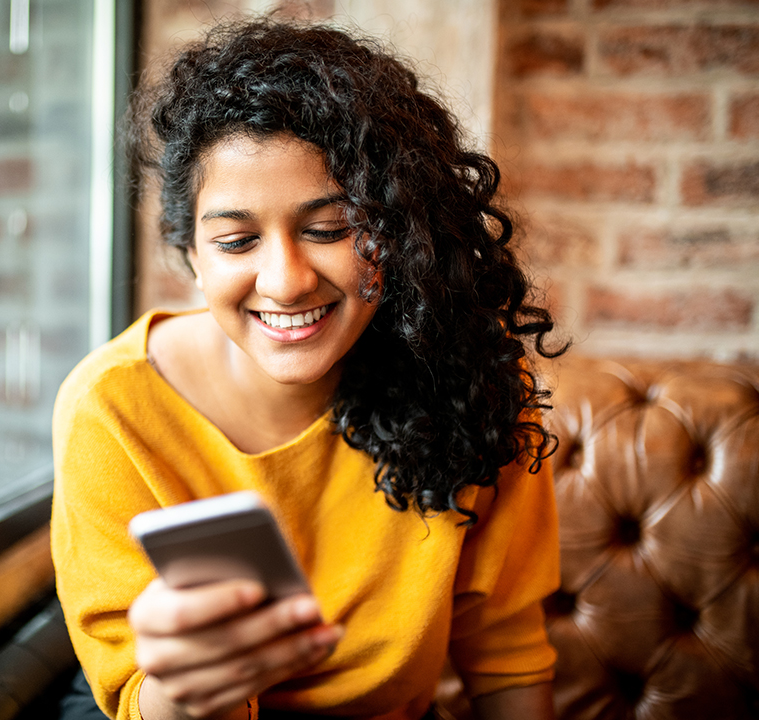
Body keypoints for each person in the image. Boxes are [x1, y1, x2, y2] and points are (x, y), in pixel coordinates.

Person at [51, 17, 565, 720]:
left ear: (398, 231)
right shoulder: (113, 409)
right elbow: (138, 698)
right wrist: (189, 684)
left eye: (330, 229)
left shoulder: (470, 381)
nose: (286, 281)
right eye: (236, 240)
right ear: (193, 257)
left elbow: (506, 651)